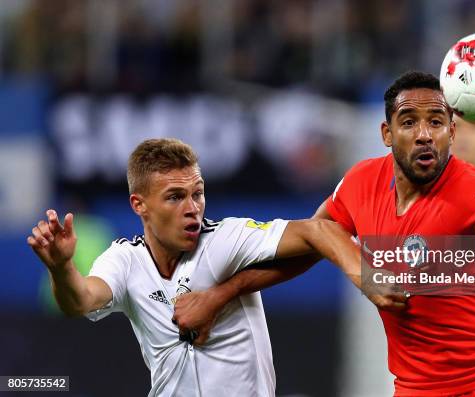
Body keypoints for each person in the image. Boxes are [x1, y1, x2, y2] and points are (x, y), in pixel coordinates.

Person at [175, 71, 475, 396]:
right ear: (387, 133)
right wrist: (218, 296)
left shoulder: (472, 189)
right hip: (415, 388)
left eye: (437, 122)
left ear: (451, 133)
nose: (424, 134)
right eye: (409, 122)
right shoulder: (361, 183)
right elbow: (312, 238)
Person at [27, 138, 405, 397]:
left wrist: (366, 276)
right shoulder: (125, 260)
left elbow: (320, 230)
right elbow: (80, 301)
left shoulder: (224, 240)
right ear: (139, 205)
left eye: (198, 193)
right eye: (175, 197)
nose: (192, 208)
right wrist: (61, 268)